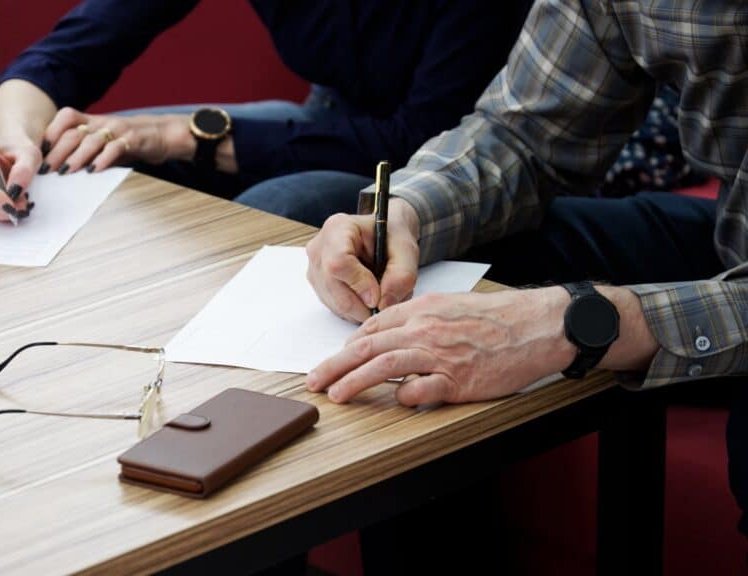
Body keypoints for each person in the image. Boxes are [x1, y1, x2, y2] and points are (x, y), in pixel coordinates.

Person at [303, 0, 748, 550]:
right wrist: (408, 214)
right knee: (311, 203)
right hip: (732, 233)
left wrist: (576, 324)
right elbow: (525, 138)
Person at [0, 0, 534, 225]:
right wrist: (12, 139)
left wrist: (182, 136)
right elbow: (76, 49)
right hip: (324, 121)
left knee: (265, 214)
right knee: (83, 153)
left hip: (451, 160)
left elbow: (420, 138)